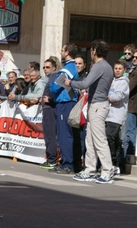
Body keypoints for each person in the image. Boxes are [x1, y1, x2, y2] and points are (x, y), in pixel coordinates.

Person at [65, 39, 114, 183]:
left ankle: (107, 170)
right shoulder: (106, 66)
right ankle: (90, 169)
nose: (91, 52)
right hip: (97, 105)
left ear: (94, 51)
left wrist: (70, 82)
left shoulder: (99, 66)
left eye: (92, 50)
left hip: (98, 105)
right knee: (90, 140)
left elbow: (86, 83)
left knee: (99, 139)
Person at [49, 43, 79, 174]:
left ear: (67, 52)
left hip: (66, 103)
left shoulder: (68, 68)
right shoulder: (70, 67)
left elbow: (54, 87)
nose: (61, 52)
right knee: (63, 134)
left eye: (62, 50)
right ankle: (65, 162)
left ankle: (68, 164)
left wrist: (53, 86)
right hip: (65, 102)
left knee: (65, 135)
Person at [106, 60, 129, 175]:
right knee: (110, 138)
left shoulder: (124, 82)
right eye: (116, 68)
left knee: (111, 136)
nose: (117, 71)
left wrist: (109, 97)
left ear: (124, 70)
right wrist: (111, 97)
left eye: (120, 69)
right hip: (109, 114)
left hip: (117, 115)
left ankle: (116, 162)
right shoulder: (113, 81)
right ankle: (112, 161)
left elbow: (118, 97)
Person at [122, 49, 137, 158]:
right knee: (126, 133)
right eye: (133, 57)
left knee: (130, 132)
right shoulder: (134, 69)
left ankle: (130, 155)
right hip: (128, 105)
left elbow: (129, 87)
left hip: (133, 105)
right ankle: (127, 155)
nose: (134, 59)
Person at [39, 59, 58, 169]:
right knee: (48, 135)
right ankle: (50, 158)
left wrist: (50, 99)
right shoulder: (49, 78)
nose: (45, 69)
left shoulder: (54, 77)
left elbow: (56, 91)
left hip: (50, 109)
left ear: (54, 68)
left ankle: (52, 160)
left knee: (50, 135)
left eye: (47, 67)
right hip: (47, 108)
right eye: (44, 67)